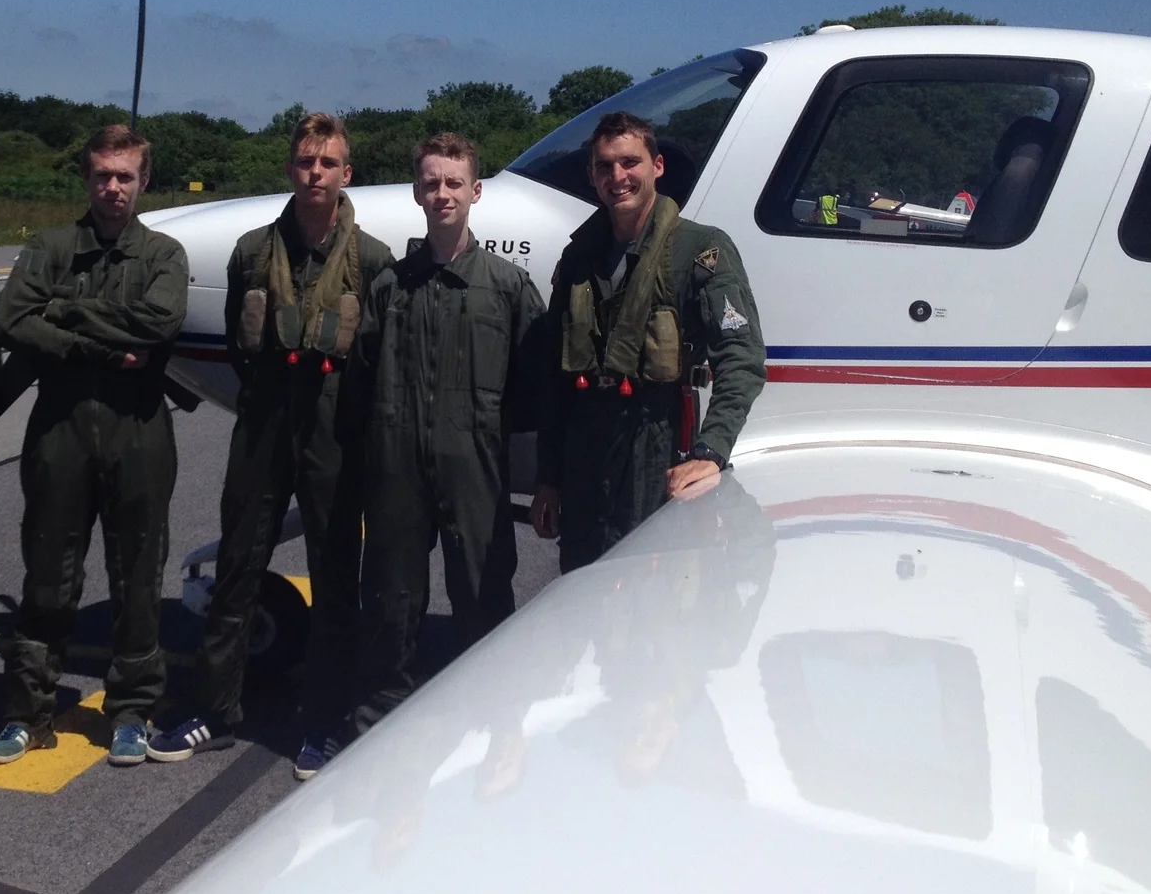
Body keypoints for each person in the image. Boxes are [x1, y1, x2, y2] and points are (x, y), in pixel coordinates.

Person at [147, 112, 394, 778]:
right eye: (305, 162)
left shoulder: (373, 261)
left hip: (332, 431)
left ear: (347, 174)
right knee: (238, 566)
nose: (316, 173)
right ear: (290, 168)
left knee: (335, 576)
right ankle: (216, 711)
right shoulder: (252, 251)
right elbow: (239, 338)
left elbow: (376, 357)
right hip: (262, 425)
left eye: (328, 163)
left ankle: (326, 720)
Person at [0, 124, 189, 768]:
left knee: (138, 578)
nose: (113, 187)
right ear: (86, 178)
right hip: (61, 428)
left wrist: (65, 311)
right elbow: (12, 319)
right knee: (48, 575)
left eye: (125, 176)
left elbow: (158, 323)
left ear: (143, 181)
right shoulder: (49, 248)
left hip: (138, 430)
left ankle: (131, 712)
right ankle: (27, 713)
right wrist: (93, 346)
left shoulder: (163, 254)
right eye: (102, 175)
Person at [348, 132, 545, 741]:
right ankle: (380, 725)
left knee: (483, 593)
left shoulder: (507, 287)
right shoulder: (389, 287)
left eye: (454, 182)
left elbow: (536, 387)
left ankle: (494, 726)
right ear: (417, 192)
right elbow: (358, 383)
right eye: (431, 183)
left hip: (474, 470)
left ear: (475, 191)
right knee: (390, 599)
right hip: (396, 470)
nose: (443, 194)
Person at [530, 111, 765, 571]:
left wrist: (710, 452)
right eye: (604, 166)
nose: (617, 176)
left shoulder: (699, 251)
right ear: (592, 176)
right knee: (582, 583)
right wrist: (548, 478)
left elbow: (742, 357)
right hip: (585, 452)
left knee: (656, 585)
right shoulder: (579, 258)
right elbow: (554, 380)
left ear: (656, 166)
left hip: (658, 445)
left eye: (630, 162)